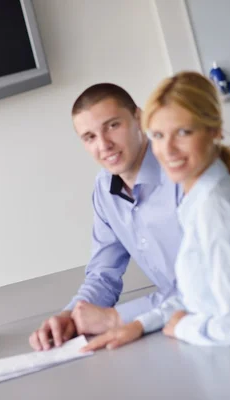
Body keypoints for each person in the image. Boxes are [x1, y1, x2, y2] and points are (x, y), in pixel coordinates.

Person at [82, 71, 230, 371]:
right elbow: (198, 298)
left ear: (215, 130)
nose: (168, 150)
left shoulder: (214, 209)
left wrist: (180, 328)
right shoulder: (198, 198)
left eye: (184, 133)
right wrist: (141, 323)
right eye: (159, 136)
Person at [30, 84, 183, 351]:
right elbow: (103, 274)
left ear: (139, 118)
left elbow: (208, 288)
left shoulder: (182, 174)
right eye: (89, 137)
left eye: (112, 126)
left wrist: (116, 318)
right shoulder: (105, 189)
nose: (104, 145)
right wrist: (72, 316)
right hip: (181, 325)